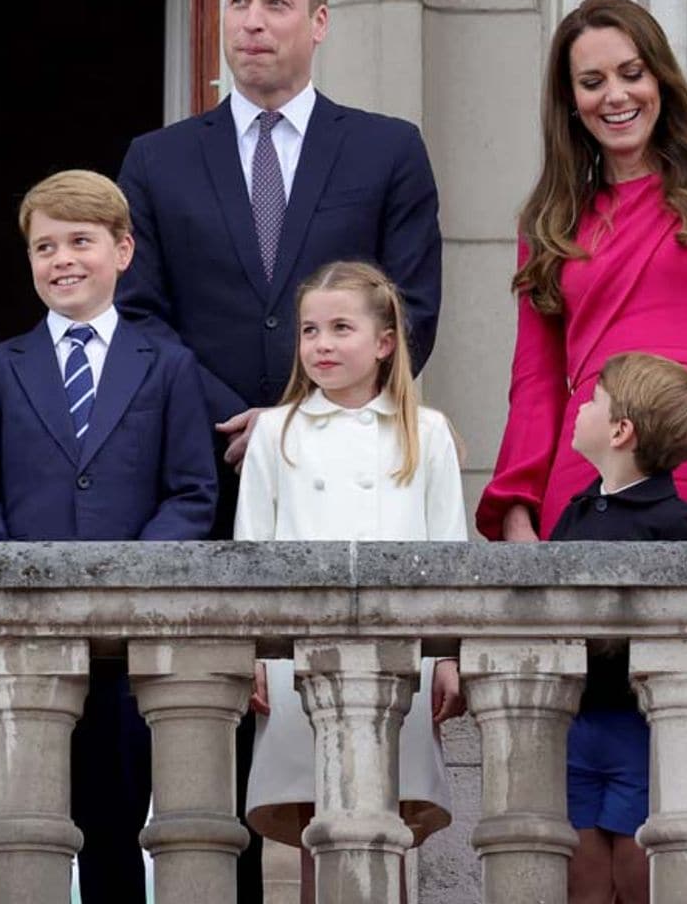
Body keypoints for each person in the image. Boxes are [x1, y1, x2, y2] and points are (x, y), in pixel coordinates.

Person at [115, 0, 444, 898]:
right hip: (201, 486)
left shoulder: (386, 148)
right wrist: (247, 421)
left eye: (275, 4)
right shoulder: (159, 159)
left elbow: (412, 305)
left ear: (320, 22)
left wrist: (298, 418)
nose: (252, 23)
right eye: (239, 3)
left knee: (345, 780)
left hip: (347, 496)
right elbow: (140, 313)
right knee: (205, 770)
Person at [478, 0, 687, 882]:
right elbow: (535, 381)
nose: (614, 96)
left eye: (631, 73)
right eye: (592, 81)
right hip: (579, 484)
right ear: (570, 97)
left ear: (660, 76)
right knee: (583, 761)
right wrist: (517, 504)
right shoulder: (548, 218)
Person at [0, 168, 215, 903]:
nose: (62, 259)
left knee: (121, 819)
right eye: (44, 246)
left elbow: (192, 493)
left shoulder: (170, 365)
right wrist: (11, 577)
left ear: (123, 251)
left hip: (133, 644)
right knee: (28, 821)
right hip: (29, 637)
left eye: (80, 242)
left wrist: (133, 575)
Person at [234, 261, 463, 903]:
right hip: (300, 657)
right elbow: (251, 552)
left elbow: (448, 550)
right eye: (310, 330)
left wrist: (447, 655)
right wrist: (254, 650)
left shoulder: (428, 431)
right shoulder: (275, 432)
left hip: (399, 655)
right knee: (315, 821)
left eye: (341, 328)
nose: (322, 345)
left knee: (386, 816)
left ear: (385, 341)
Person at [549, 351, 687, 904]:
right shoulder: (575, 512)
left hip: (639, 728)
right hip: (577, 724)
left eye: (592, 399)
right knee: (583, 878)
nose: (580, 406)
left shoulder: (679, 524)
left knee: (638, 876)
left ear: (622, 431)